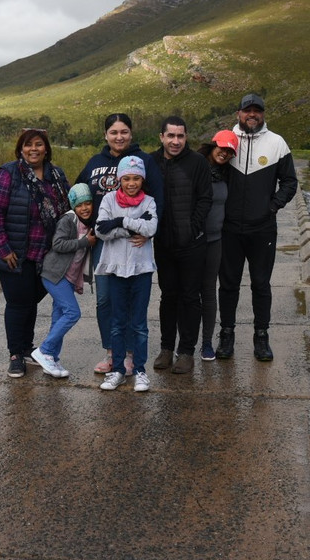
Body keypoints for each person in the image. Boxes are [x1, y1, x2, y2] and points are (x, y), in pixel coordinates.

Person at [76, 113, 164, 375]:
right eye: (114, 132)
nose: (119, 136)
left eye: (124, 131)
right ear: (106, 135)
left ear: (131, 134)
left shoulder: (145, 161)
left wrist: (149, 233)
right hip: (104, 241)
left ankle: (128, 355)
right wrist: (86, 227)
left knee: (130, 299)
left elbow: (158, 198)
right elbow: (78, 194)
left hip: (136, 242)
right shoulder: (95, 162)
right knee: (105, 300)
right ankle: (112, 352)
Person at [216, 94, 298, 361]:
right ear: (238, 113)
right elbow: (209, 172)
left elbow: (289, 182)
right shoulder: (227, 140)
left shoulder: (277, 143)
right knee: (228, 285)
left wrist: (272, 206)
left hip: (262, 228)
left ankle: (261, 337)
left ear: (263, 114)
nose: (252, 114)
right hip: (229, 228)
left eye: (257, 111)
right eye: (247, 110)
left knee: (261, 284)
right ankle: (226, 335)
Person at [0, 128, 70, 378]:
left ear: (46, 148)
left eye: (39, 144)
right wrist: (3, 249)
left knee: (30, 301)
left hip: (44, 253)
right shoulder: (9, 173)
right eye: (28, 144)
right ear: (21, 149)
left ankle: (27, 347)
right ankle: (15, 355)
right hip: (13, 253)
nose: (34, 149)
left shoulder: (56, 175)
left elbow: (69, 207)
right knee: (18, 303)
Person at [149, 116, 212, 374]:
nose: (175, 141)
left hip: (192, 244)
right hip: (163, 243)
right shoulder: (150, 162)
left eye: (180, 136)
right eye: (171, 136)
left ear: (186, 138)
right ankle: (166, 348)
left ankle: (186, 351)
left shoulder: (197, 163)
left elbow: (205, 199)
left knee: (190, 296)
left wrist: (192, 230)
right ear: (161, 137)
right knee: (168, 295)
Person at [94, 155, 157, 392]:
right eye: (127, 178)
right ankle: (118, 370)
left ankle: (140, 370)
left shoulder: (149, 201)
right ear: (120, 179)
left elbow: (152, 228)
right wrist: (132, 225)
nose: (132, 183)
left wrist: (119, 222)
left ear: (142, 179)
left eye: (137, 178)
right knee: (118, 323)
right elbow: (101, 229)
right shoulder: (109, 200)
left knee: (139, 324)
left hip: (141, 270)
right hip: (116, 270)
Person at [32, 183, 96, 378]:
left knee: (58, 318)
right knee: (72, 312)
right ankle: (44, 350)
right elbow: (58, 244)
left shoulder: (90, 223)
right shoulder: (68, 220)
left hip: (67, 277)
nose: (84, 208)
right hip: (54, 275)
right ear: (73, 206)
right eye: (79, 205)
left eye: (88, 203)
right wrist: (85, 242)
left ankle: (52, 359)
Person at [196, 130, 237, 361]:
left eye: (230, 150)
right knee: (189, 293)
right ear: (212, 145)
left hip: (215, 241)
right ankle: (186, 343)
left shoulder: (226, 174)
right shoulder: (195, 166)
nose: (225, 153)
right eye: (222, 147)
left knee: (209, 292)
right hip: (194, 241)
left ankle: (207, 343)